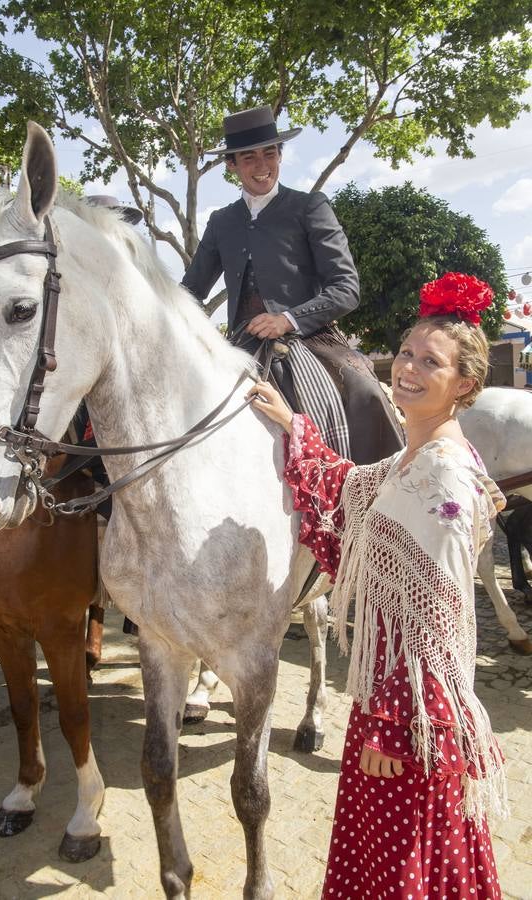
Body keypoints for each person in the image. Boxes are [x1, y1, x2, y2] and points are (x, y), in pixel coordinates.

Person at [248, 272, 507, 899]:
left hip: (413, 720)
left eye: (431, 362)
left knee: (402, 868)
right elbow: (347, 485)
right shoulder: (412, 459)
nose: (408, 369)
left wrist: (394, 723)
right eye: (407, 353)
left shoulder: (443, 478)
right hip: (392, 696)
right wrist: (294, 425)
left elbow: (437, 620)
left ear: (464, 384)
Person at [182, 105, 404, 464]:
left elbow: (346, 287)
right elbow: (190, 293)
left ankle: (383, 483)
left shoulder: (309, 206)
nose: (262, 165)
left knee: (366, 391)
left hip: (310, 338)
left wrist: (288, 319)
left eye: (270, 153)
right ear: (231, 165)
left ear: (280, 155)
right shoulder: (221, 221)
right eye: (249, 157)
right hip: (241, 343)